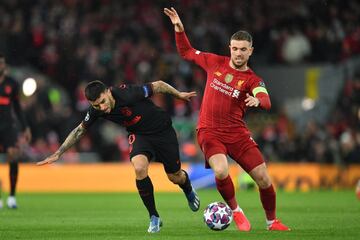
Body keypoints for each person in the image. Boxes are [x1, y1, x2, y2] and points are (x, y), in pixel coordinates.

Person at [164, 7, 290, 231]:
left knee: (263, 178)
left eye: (243, 49)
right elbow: (187, 52)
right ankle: (236, 211)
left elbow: (267, 101)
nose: (238, 53)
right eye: (235, 49)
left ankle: (272, 222)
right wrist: (179, 30)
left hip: (237, 133)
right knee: (221, 171)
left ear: (251, 51)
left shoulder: (253, 80)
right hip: (209, 131)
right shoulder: (214, 62)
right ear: (229, 49)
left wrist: (258, 101)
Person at [37, 80, 200, 233]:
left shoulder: (128, 93)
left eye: (102, 101)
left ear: (108, 92)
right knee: (139, 167)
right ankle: (154, 216)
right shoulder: (96, 111)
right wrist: (58, 153)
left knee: (174, 176)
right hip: (140, 135)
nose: (101, 107)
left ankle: (187, 188)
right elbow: (80, 130)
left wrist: (178, 94)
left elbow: (157, 85)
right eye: (96, 105)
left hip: (163, 131)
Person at [0, 53, 32, 209]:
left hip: (7, 126)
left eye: (2, 63)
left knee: (13, 155)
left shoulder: (11, 83)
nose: (1, 66)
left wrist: (25, 127)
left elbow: (18, 107)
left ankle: (12, 196)